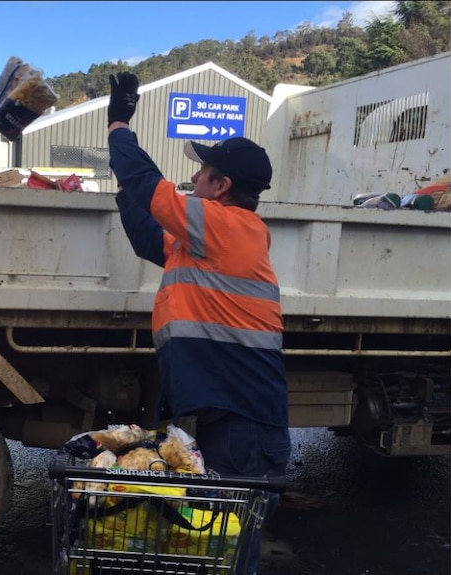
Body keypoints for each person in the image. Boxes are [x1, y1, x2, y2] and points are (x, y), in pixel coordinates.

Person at [106, 72, 291, 575]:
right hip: (233, 416)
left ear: (222, 186)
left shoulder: (230, 227)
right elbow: (150, 238)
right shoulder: (210, 239)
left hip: (242, 421)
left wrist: (119, 125)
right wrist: (126, 185)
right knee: (221, 542)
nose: (193, 182)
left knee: (230, 548)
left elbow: (152, 187)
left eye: (202, 174)